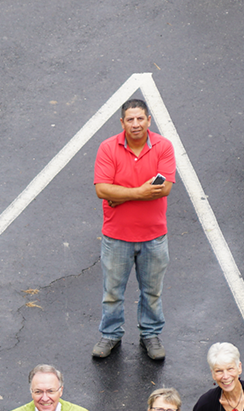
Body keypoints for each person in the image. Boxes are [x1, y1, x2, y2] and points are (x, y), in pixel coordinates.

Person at [92, 98, 176, 361]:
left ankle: (150, 335)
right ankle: (111, 335)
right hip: (116, 237)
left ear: (149, 120)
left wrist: (123, 195)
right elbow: (101, 190)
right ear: (122, 122)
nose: (136, 124)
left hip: (154, 236)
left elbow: (164, 189)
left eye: (140, 118)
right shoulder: (108, 148)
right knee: (112, 293)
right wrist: (140, 191)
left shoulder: (164, 147)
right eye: (130, 119)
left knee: (151, 292)